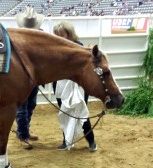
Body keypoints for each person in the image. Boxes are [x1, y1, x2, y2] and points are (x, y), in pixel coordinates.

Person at [53, 21, 97, 152]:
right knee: (65, 112)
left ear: (70, 33)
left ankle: (91, 141)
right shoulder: (55, 48)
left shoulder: (79, 47)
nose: (60, 37)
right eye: (57, 35)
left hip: (78, 86)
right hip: (61, 86)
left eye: (62, 34)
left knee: (81, 113)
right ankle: (66, 141)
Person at [14, 6, 45, 150]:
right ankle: (23, 135)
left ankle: (24, 131)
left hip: (34, 78)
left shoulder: (42, 37)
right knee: (22, 108)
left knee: (30, 105)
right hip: (21, 79)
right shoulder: (16, 38)